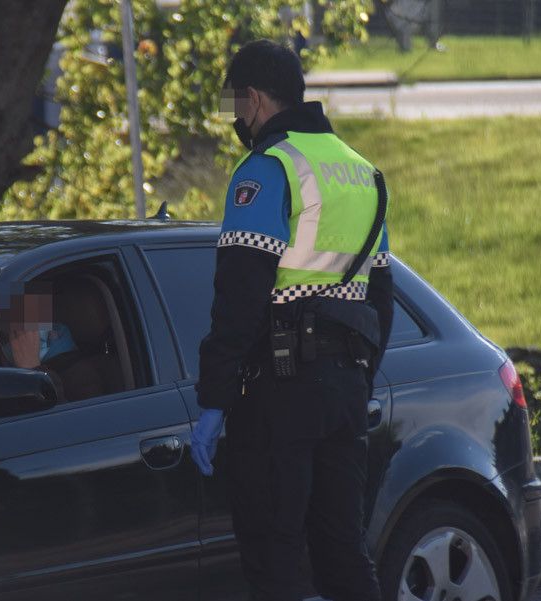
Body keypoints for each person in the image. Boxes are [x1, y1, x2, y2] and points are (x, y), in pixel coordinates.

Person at [191, 40, 393, 601]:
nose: (237, 119)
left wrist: (214, 399)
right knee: (342, 550)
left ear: (253, 98)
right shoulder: (363, 174)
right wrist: (358, 378)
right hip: (345, 387)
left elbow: (239, 296)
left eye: (236, 105)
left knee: (275, 553)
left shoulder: (268, 168)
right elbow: (382, 297)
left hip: (280, 392)